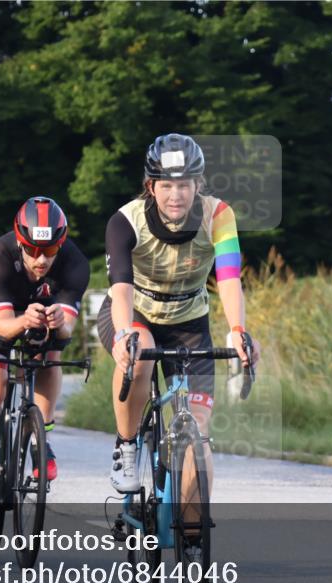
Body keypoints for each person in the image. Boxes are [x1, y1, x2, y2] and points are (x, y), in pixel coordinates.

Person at [97, 133, 260, 495]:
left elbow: (230, 277)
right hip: (135, 312)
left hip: (189, 322)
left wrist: (238, 330)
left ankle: (190, 536)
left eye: (184, 185)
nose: (176, 195)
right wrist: (124, 334)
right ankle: (126, 445)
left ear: (198, 184)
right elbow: (121, 288)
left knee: (198, 434)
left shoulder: (219, 215)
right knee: (140, 356)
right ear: (150, 186)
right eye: (167, 185)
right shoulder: (125, 221)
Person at [0, 196, 90, 533]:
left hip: (42, 313)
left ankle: (39, 438)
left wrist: (59, 321)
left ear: (61, 244)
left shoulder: (75, 263)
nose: (40, 259)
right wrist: (23, 320)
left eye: (49, 250)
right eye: (31, 250)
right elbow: (1, 327)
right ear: (20, 241)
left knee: (51, 352)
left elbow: (67, 331)